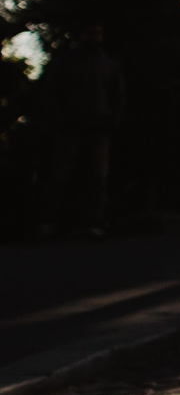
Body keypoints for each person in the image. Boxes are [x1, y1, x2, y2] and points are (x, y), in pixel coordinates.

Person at [42, 22, 125, 241]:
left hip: (97, 128)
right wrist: (59, 119)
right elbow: (52, 92)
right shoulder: (68, 62)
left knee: (96, 176)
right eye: (91, 33)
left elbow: (117, 96)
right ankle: (56, 222)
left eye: (97, 33)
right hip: (71, 126)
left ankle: (91, 222)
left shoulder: (107, 64)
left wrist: (112, 121)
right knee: (63, 175)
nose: (94, 37)